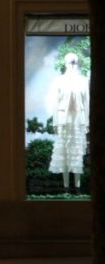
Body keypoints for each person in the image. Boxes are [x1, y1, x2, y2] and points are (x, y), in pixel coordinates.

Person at [46, 52, 89, 190]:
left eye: (74, 62)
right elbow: (55, 102)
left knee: (76, 152)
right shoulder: (59, 80)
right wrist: (55, 122)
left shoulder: (83, 80)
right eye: (70, 62)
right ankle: (65, 186)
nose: (72, 65)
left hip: (78, 120)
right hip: (63, 120)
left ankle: (77, 186)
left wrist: (87, 122)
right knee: (64, 151)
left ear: (77, 64)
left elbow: (87, 102)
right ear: (65, 63)